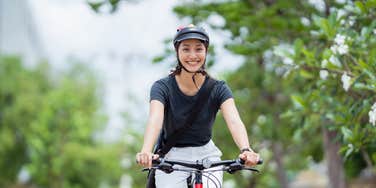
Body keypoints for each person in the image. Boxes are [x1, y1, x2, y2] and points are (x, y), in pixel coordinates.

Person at [136, 24, 260, 187]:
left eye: (199, 49)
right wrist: (146, 150)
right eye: (186, 49)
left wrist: (246, 150)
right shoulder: (162, 87)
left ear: (206, 52)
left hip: (207, 156)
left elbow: (234, 120)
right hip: (172, 158)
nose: (192, 55)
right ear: (177, 52)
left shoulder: (218, 88)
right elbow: (155, 119)